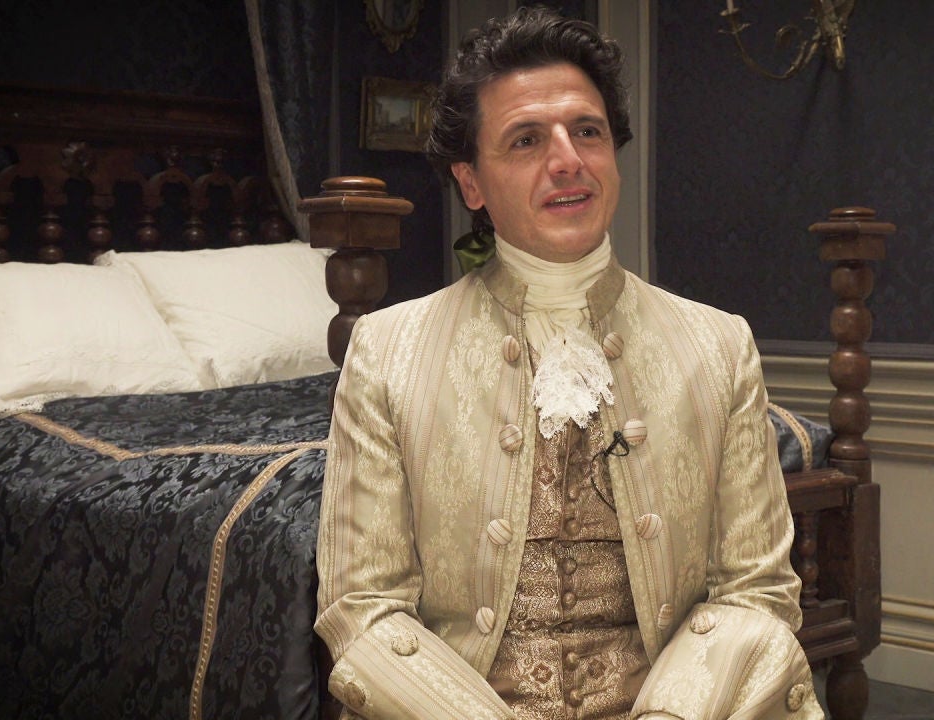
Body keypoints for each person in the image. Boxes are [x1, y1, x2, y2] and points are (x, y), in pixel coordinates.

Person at [315, 7, 824, 719]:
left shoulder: (720, 344)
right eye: (526, 140)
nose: (567, 160)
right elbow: (363, 610)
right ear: (471, 183)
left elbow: (756, 592)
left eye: (587, 131)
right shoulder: (384, 351)